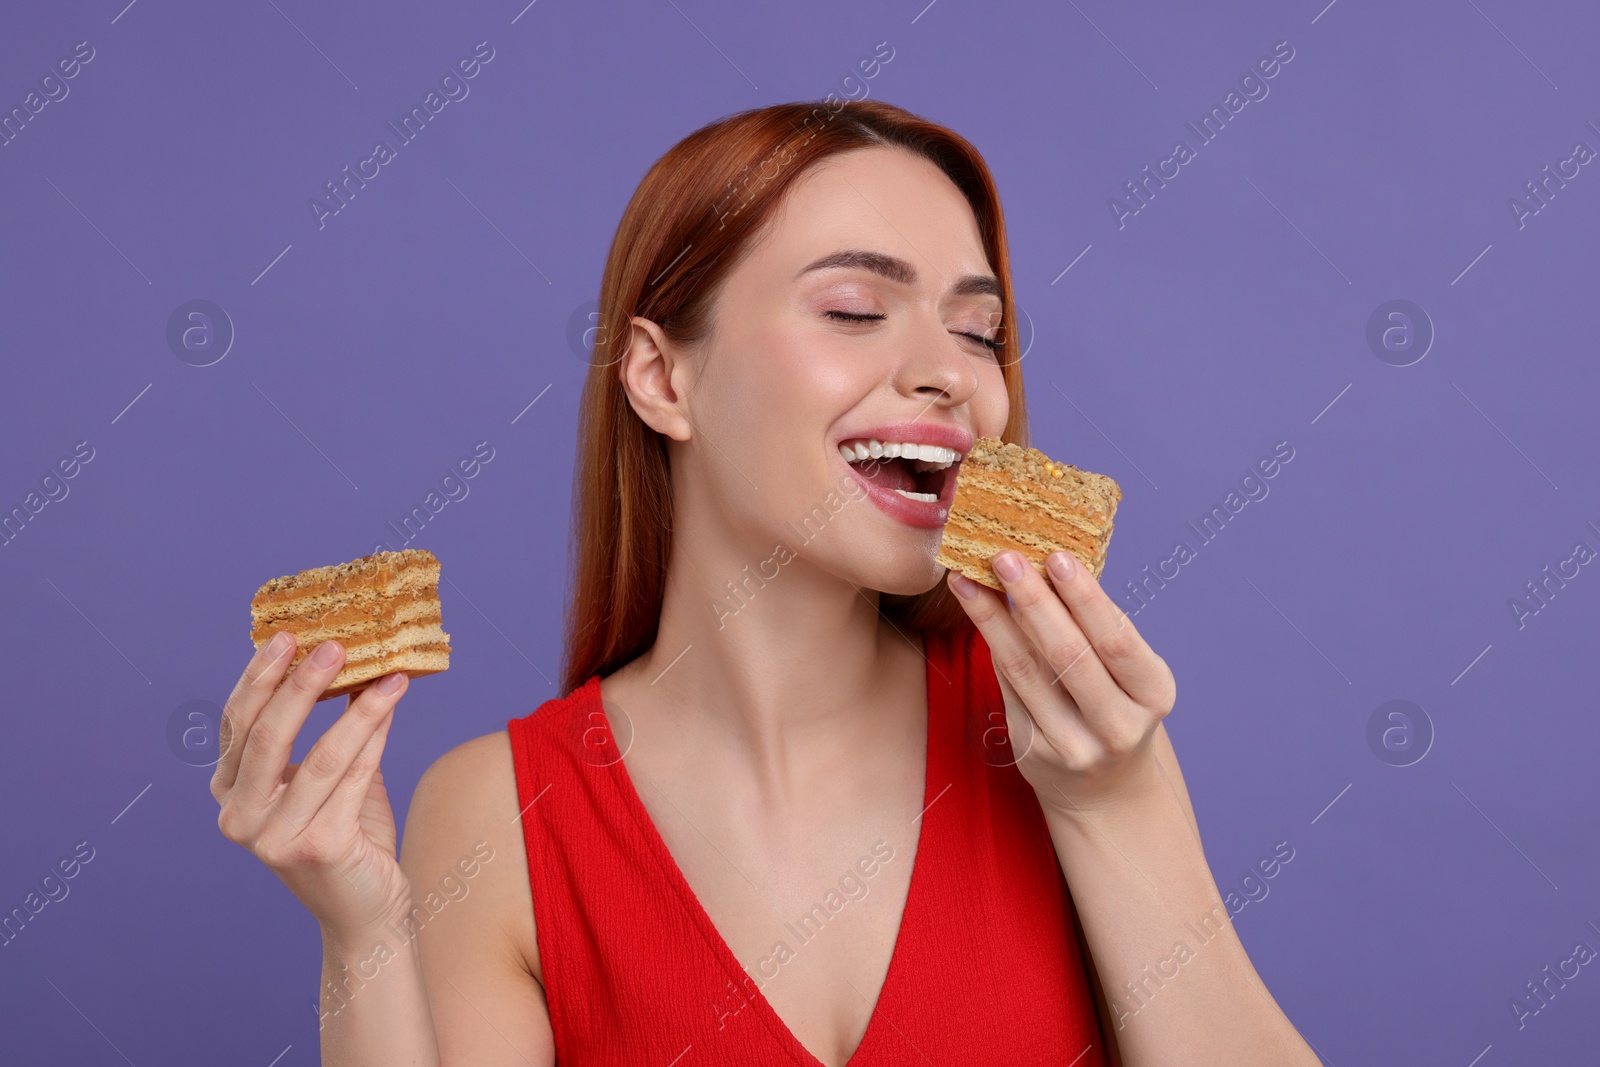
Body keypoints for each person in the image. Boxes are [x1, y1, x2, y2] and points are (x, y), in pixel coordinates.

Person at [211, 98, 1321, 1066]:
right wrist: (360, 937)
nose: (950, 371)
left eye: (979, 330)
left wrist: (1114, 807)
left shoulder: (1068, 741)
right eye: (853, 309)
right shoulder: (498, 811)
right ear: (660, 376)